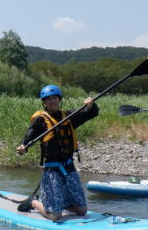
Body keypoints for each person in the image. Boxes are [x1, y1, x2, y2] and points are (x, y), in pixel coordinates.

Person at [15, 85, 99, 221]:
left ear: (59, 99)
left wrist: (91, 106)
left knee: (82, 210)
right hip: (52, 169)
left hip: (69, 167)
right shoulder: (40, 120)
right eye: (48, 99)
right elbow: (29, 137)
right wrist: (23, 147)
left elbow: (91, 114)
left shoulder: (69, 116)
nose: (52, 101)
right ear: (44, 102)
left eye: (54, 98)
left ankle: (58, 204)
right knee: (55, 216)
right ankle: (34, 202)